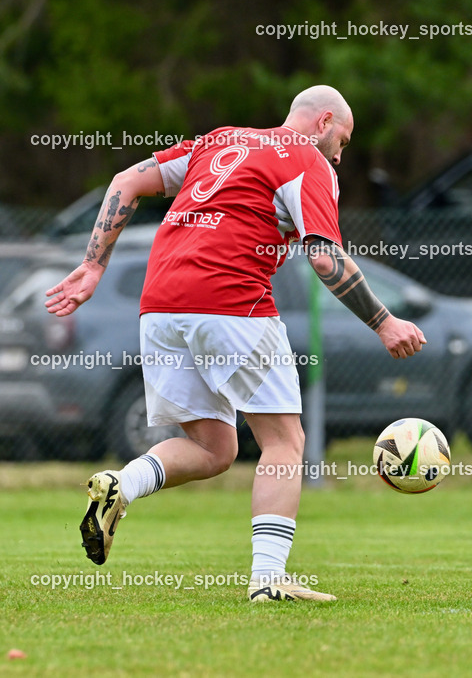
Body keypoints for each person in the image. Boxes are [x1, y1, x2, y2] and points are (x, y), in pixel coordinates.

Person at [45, 85, 426, 602]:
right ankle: (268, 580)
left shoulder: (221, 140)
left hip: (159, 305)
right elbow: (324, 258)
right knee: (284, 441)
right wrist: (384, 322)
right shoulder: (309, 161)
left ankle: (121, 486)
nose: (342, 152)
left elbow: (126, 182)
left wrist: (93, 266)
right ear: (325, 122)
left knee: (214, 448)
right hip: (230, 303)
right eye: (345, 138)